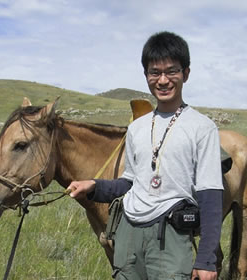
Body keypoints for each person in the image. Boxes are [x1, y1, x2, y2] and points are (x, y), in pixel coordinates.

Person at [67, 31, 223, 280]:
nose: (163, 80)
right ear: (146, 76)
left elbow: (211, 196)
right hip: (128, 235)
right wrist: (94, 186)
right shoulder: (137, 128)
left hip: (170, 237)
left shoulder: (202, 128)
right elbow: (129, 183)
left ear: (186, 73)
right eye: (154, 72)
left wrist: (206, 259)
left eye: (171, 71)